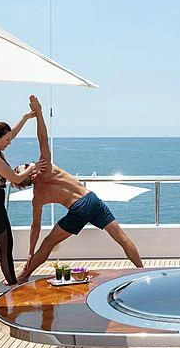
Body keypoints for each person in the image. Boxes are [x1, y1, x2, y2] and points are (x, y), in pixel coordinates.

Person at [15, 95, 143, 283]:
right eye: (24, 166)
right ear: (29, 175)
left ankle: (24, 276)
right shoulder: (47, 168)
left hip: (79, 208)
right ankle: (142, 270)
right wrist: (40, 113)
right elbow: (43, 139)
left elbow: (36, 227)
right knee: (120, 237)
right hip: (91, 198)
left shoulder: (38, 194)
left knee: (49, 242)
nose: (27, 163)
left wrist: (30, 252)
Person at [0, 114, 44, 300]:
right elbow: (16, 179)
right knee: (6, 247)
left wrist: (27, 117)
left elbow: (11, 134)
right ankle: (13, 287)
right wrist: (33, 167)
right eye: (5, 141)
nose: (8, 143)